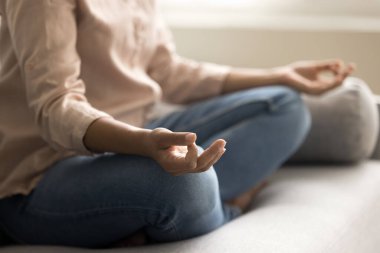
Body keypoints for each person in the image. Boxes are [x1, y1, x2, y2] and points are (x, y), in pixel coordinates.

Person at [0, 0, 354, 248]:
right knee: (185, 186)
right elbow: (55, 108)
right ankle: (227, 208)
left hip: (139, 134)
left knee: (284, 104)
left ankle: (173, 214)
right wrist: (143, 143)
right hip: (43, 174)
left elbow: (167, 71)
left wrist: (278, 75)